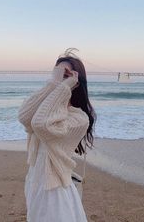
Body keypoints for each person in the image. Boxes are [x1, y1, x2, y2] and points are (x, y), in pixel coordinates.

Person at [18, 50, 96, 222]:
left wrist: (64, 86)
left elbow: (41, 124)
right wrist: (53, 83)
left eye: (65, 74)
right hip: (35, 183)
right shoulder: (45, 108)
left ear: (76, 81)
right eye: (57, 73)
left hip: (54, 190)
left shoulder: (79, 118)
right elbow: (24, 117)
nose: (60, 77)